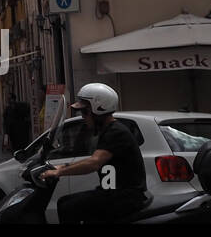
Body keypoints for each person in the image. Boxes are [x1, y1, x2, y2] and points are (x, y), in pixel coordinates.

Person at [41, 83, 148, 224]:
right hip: (113, 192)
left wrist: (59, 172)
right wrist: (62, 166)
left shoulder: (116, 132)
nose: (83, 117)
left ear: (99, 110)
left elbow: (94, 163)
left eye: (85, 112)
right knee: (66, 202)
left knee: (67, 207)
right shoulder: (108, 130)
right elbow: (93, 159)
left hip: (126, 196)